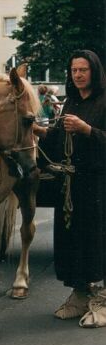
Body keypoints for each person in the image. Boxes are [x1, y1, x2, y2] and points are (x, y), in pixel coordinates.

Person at [34, 50, 106, 325]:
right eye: (74, 70)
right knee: (74, 240)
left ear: (94, 72)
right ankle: (80, 293)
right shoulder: (72, 102)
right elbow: (58, 137)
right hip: (73, 185)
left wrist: (88, 130)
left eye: (83, 70)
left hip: (99, 184)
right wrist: (39, 133)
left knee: (99, 238)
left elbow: (91, 134)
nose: (78, 75)